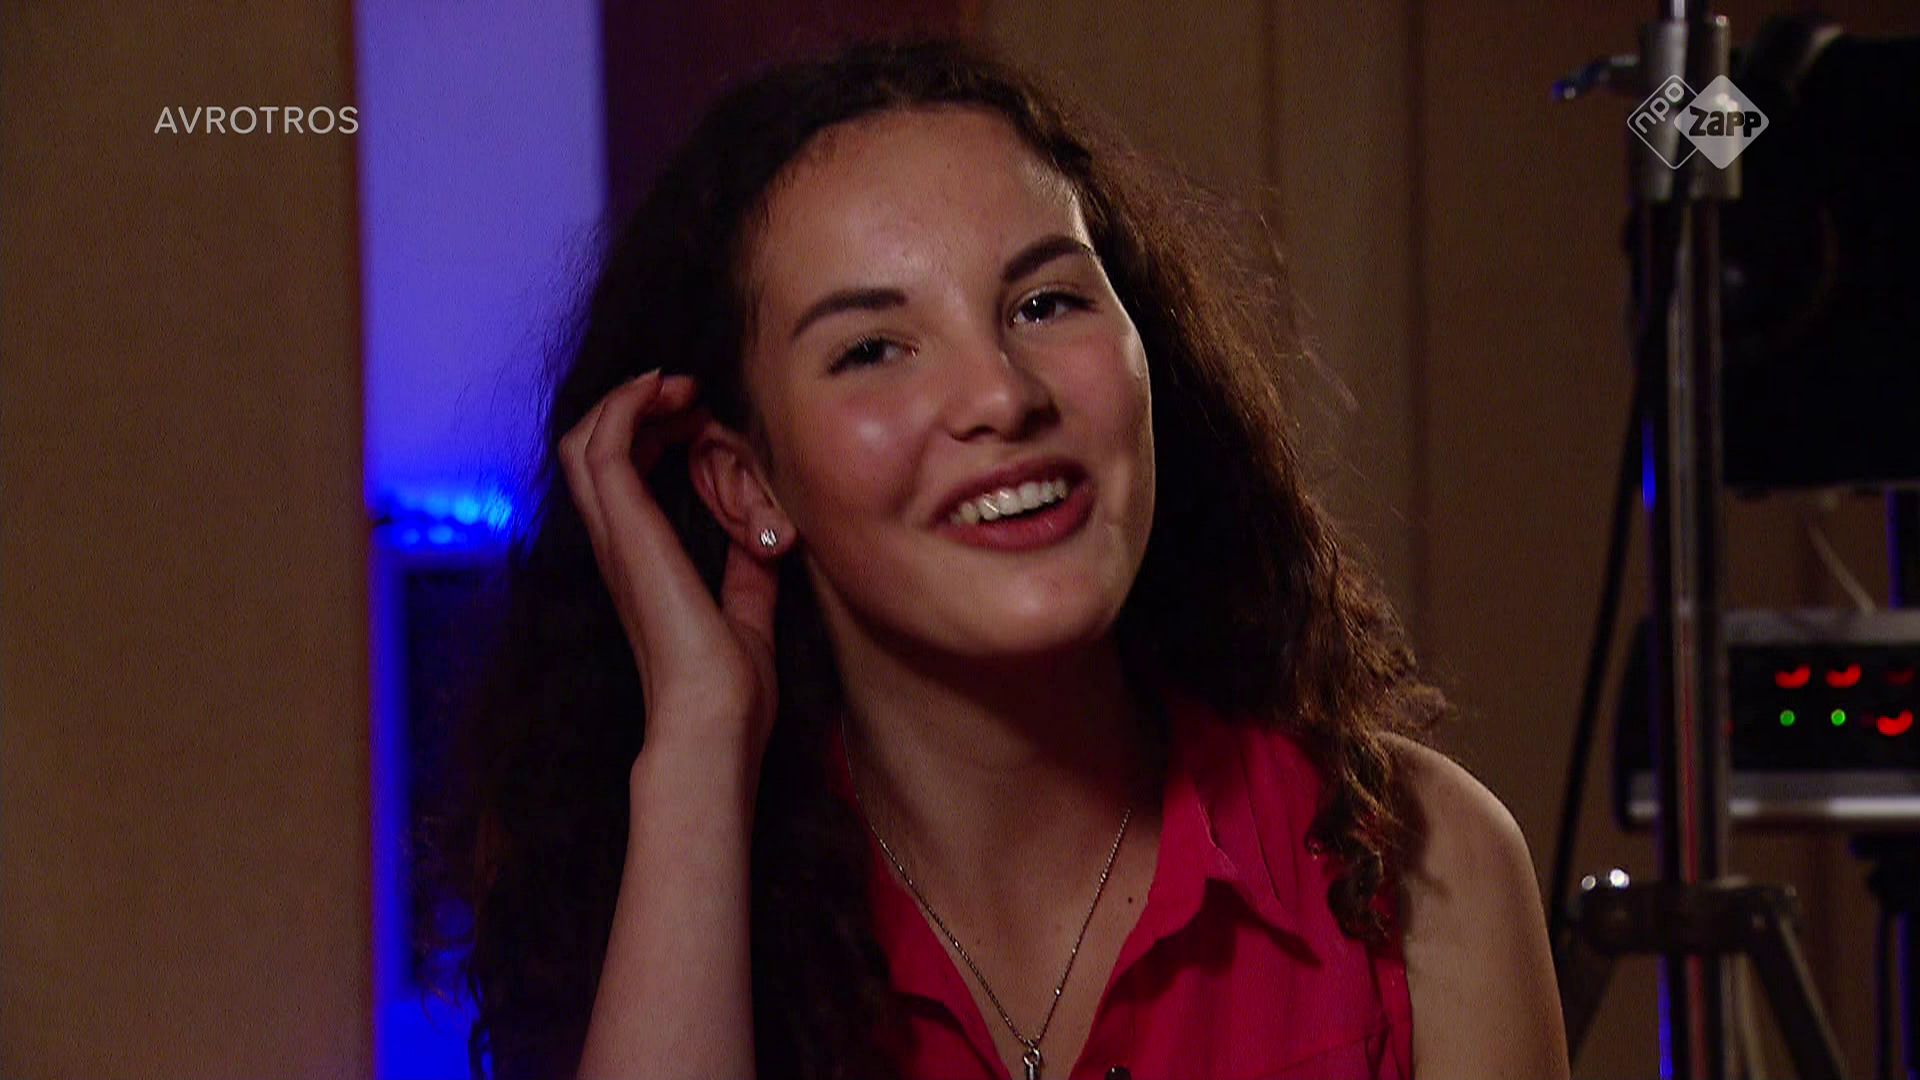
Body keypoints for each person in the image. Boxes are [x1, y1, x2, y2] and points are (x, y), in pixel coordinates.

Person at [423, 38, 1569, 1080]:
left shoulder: (1423, 865)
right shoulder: (664, 910)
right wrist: (695, 751)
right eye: (873, 349)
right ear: (748, 484)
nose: (1000, 396)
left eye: (1045, 303)